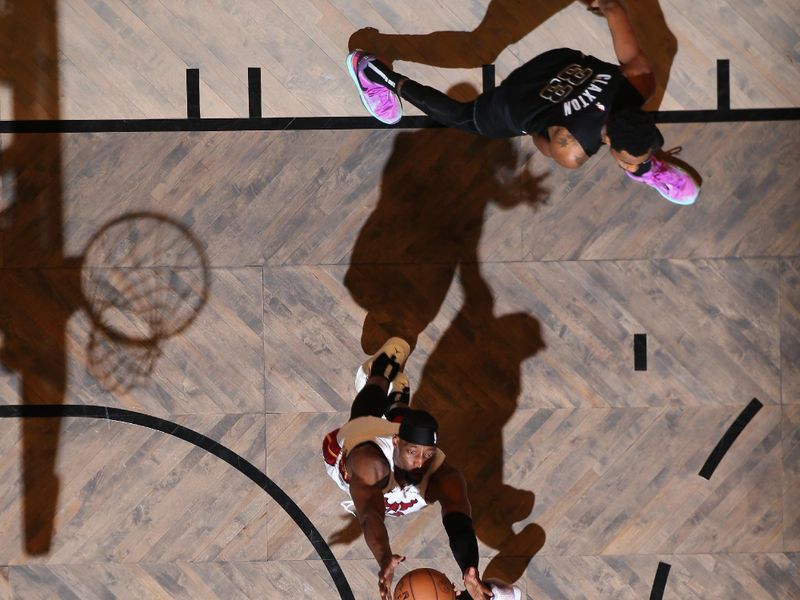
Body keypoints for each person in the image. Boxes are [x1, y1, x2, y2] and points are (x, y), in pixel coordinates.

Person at [345, 0, 699, 206]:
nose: (625, 164)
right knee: (463, 118)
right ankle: (373, 73)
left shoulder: (640, 82)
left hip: (558, 62)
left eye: (636, 160)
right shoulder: (571, 151)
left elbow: (615, 9)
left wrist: (602, 4)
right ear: (609, 142)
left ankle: (650, 172)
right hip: (519, 103)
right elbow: (536, 137)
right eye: (628, 160)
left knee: (484, 48)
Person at [322, 337, 521, 600]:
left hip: (399, 455)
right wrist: (384, 559)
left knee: (410, 434)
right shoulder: (370, 463)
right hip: (352, 448)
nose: (420, 462)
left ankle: (398, 405)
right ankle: (380, 372)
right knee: (362, 422)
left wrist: (469, 569)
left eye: (428, 454)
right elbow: (370, 514)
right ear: (396, 443)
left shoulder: (443, 474)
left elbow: (459, 523)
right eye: (413, 453)